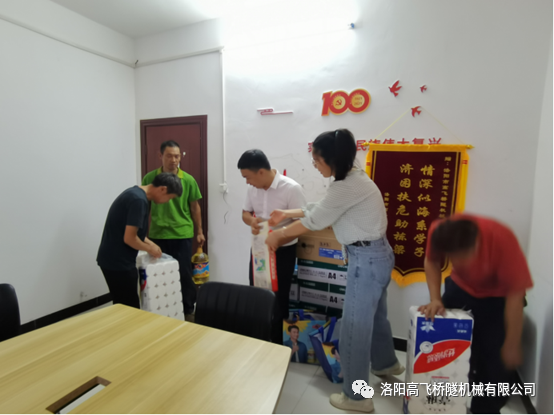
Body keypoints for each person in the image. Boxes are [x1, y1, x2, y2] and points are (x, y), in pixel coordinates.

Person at [266, 129, 403, 413]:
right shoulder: (354, 177)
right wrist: (287, 214)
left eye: (317, 160)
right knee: (376, 317)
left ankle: (357, 397)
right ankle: (385, 363)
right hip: (377, 256)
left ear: (332, 159)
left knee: (354, 328)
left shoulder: (346, 186)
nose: (315, 165)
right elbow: (323, 207)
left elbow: (317, 218)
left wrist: (279, 235)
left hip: (366, 261)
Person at [418, 215, 533, 414]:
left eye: (464, 256)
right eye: (454, 257)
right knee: (447, 350)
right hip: (460, 289)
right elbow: (432, 261)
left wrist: (512, 343)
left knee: (496, 366)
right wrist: (435, 299)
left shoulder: (502, 239)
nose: (460, 263)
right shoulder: (440, 231)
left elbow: (515, 295)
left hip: (499, 298)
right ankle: (446, 405)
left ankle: (485, 409)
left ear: (477, 244)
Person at [237, 149, 306, 342]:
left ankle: (276, 344)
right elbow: (245, 213)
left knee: (278, 298)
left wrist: (279, 237)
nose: (247, 182)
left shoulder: (291, 188)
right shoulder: (253, 189)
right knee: (257, 294)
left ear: (260, 172)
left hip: (283, 251)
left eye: (247, 177)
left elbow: (303, 223)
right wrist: (251, 221)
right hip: (259, 250)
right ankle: (257, 339)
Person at [97, 173, 183, 308]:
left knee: (121, 304)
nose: (167, 202)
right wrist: (149, 249)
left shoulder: (136, 194)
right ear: (163, 189)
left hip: (111, 259)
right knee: (129, 307)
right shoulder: (139, 201)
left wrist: (151, 244)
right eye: (169, 198)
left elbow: (135, 232)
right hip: (118, 263)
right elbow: (129, 238)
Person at [142, 140, 205, 319]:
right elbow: (145, 205)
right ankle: (162, 308)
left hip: (181, 234)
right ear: (160, 156)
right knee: (158, 273)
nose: (174, 160)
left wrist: (199, 231)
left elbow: (195, 207)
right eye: (169, 156)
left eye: (177, 156)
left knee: (184, 273)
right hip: (157, 234)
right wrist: (142, 233)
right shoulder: (150, 178)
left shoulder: (189, 180)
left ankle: (188, 309)